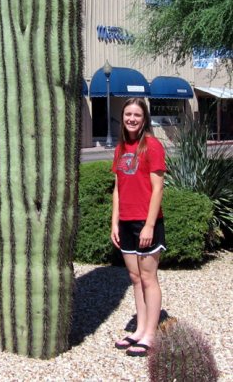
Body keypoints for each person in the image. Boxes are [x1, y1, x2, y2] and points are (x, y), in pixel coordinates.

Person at [111, 97, 166, 358]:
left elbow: (158, 188)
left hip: (147, 223)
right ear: (123, 117)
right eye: (128, 114)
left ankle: (151, 334)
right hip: (125, 221)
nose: (132, 119)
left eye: (137, 115)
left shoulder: (152, 146)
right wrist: (114, 222)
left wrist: (149, 226)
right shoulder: (121, 147)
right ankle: (139, 329)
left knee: (148, 278)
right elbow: (118, 189)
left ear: (144, 119)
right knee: (134, 278)